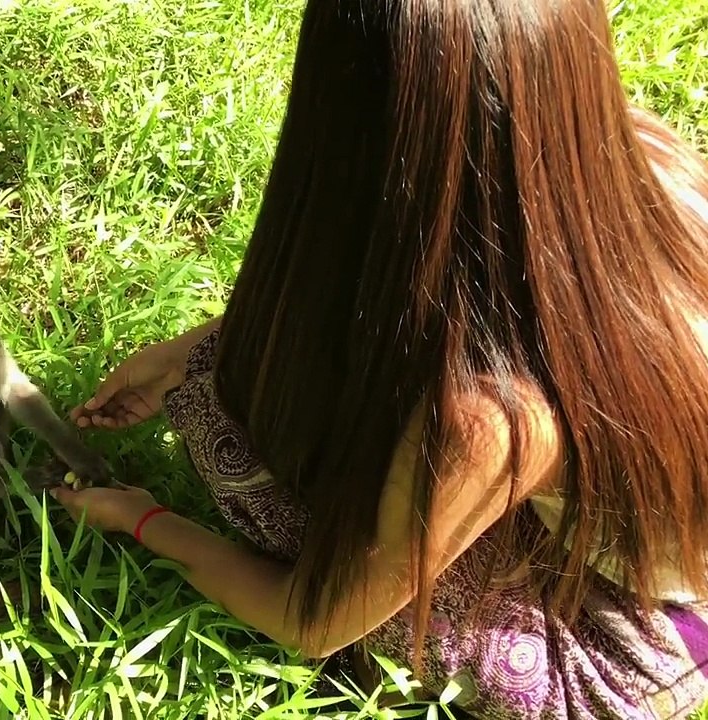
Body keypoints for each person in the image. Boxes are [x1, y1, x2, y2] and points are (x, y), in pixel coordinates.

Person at [50, 1, 708, 718]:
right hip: (626, 500)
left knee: (240, 440)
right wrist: (187, 349)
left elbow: (312, 620)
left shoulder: (489, 414)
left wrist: (143, 518)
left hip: (651, 627)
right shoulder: (641, 160)